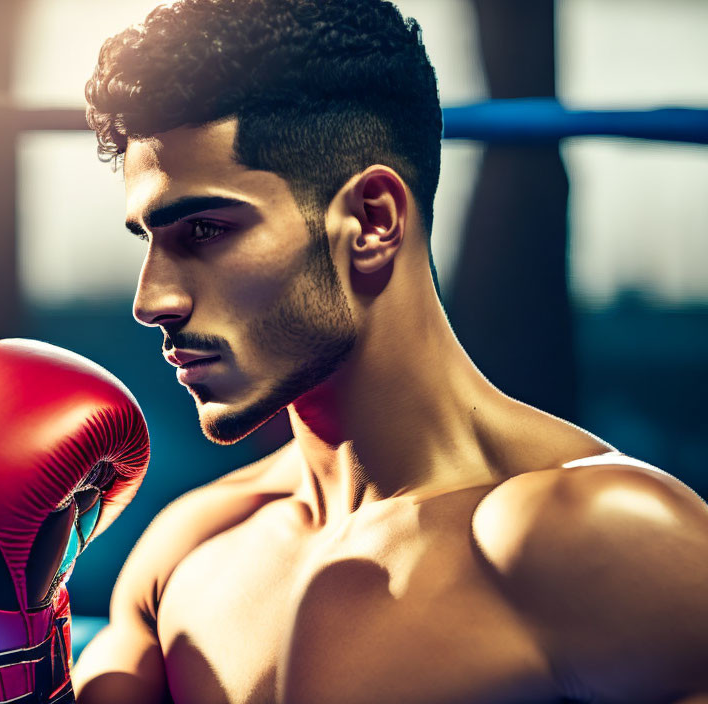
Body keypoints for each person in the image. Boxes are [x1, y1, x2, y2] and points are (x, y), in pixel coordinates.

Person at [72, 1, 708, 702]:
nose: (151, 298)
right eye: (148, 241)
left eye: (205, 231)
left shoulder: (596, 539)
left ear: (372, 222)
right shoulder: (187, 549)